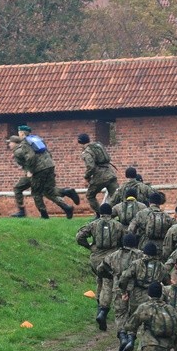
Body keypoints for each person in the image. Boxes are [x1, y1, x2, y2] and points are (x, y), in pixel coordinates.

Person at [76, 203, 125, 331]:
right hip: (111, 258)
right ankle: (103, 310)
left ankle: (99, 306)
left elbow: (79, 236)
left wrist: (89, 246)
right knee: (108, 283)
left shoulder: (93, 224)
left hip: (96, 258)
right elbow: (124, 241)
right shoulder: (118, 225)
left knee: (99, 280)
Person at [7, 135, 77, 219]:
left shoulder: (18, 151)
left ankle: (29, 212)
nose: (9, 145)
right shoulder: (29, 146)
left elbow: (30, 159)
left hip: (35, 172)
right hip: (47, 167)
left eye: (10, 142)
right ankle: (66, 204)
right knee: (48, 191)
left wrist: (30, 171)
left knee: (27, 190)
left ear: (15, 143)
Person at [97, 233, 144, 336]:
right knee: (134, 313)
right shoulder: (140, 255)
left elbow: (100, 268)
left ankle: (122, 336)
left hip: (118, 287)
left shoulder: (113, 255)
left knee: (120, 313)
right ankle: (131, 337)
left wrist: (112, 275)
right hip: (136, 288)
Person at [78, 133, 118, 217]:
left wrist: (86, 177)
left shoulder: (86, 152)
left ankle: (100, 215)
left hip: (100, 176)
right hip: (110, 173)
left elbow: (91, 167)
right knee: (116, 197)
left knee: (90, 195)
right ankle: (119, 215)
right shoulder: (98, 145)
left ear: (80, 142)